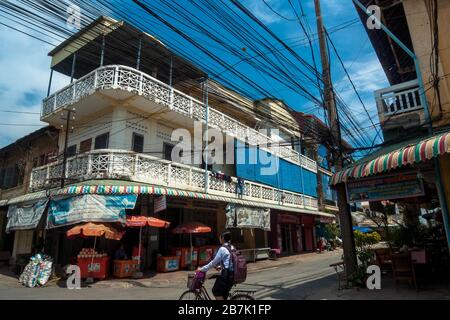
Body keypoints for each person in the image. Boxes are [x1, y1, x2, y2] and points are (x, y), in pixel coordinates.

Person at [197, 230, 234, 300]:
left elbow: (213, 263)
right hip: (232, 274)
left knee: (215, 291)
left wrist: (202, 269)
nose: (219, 238)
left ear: (222, 238)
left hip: (226, 274)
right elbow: (230, 261)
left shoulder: (223, 248)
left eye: (220, 237)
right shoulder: (232, 247)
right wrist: (221, 266)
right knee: (223, 295)